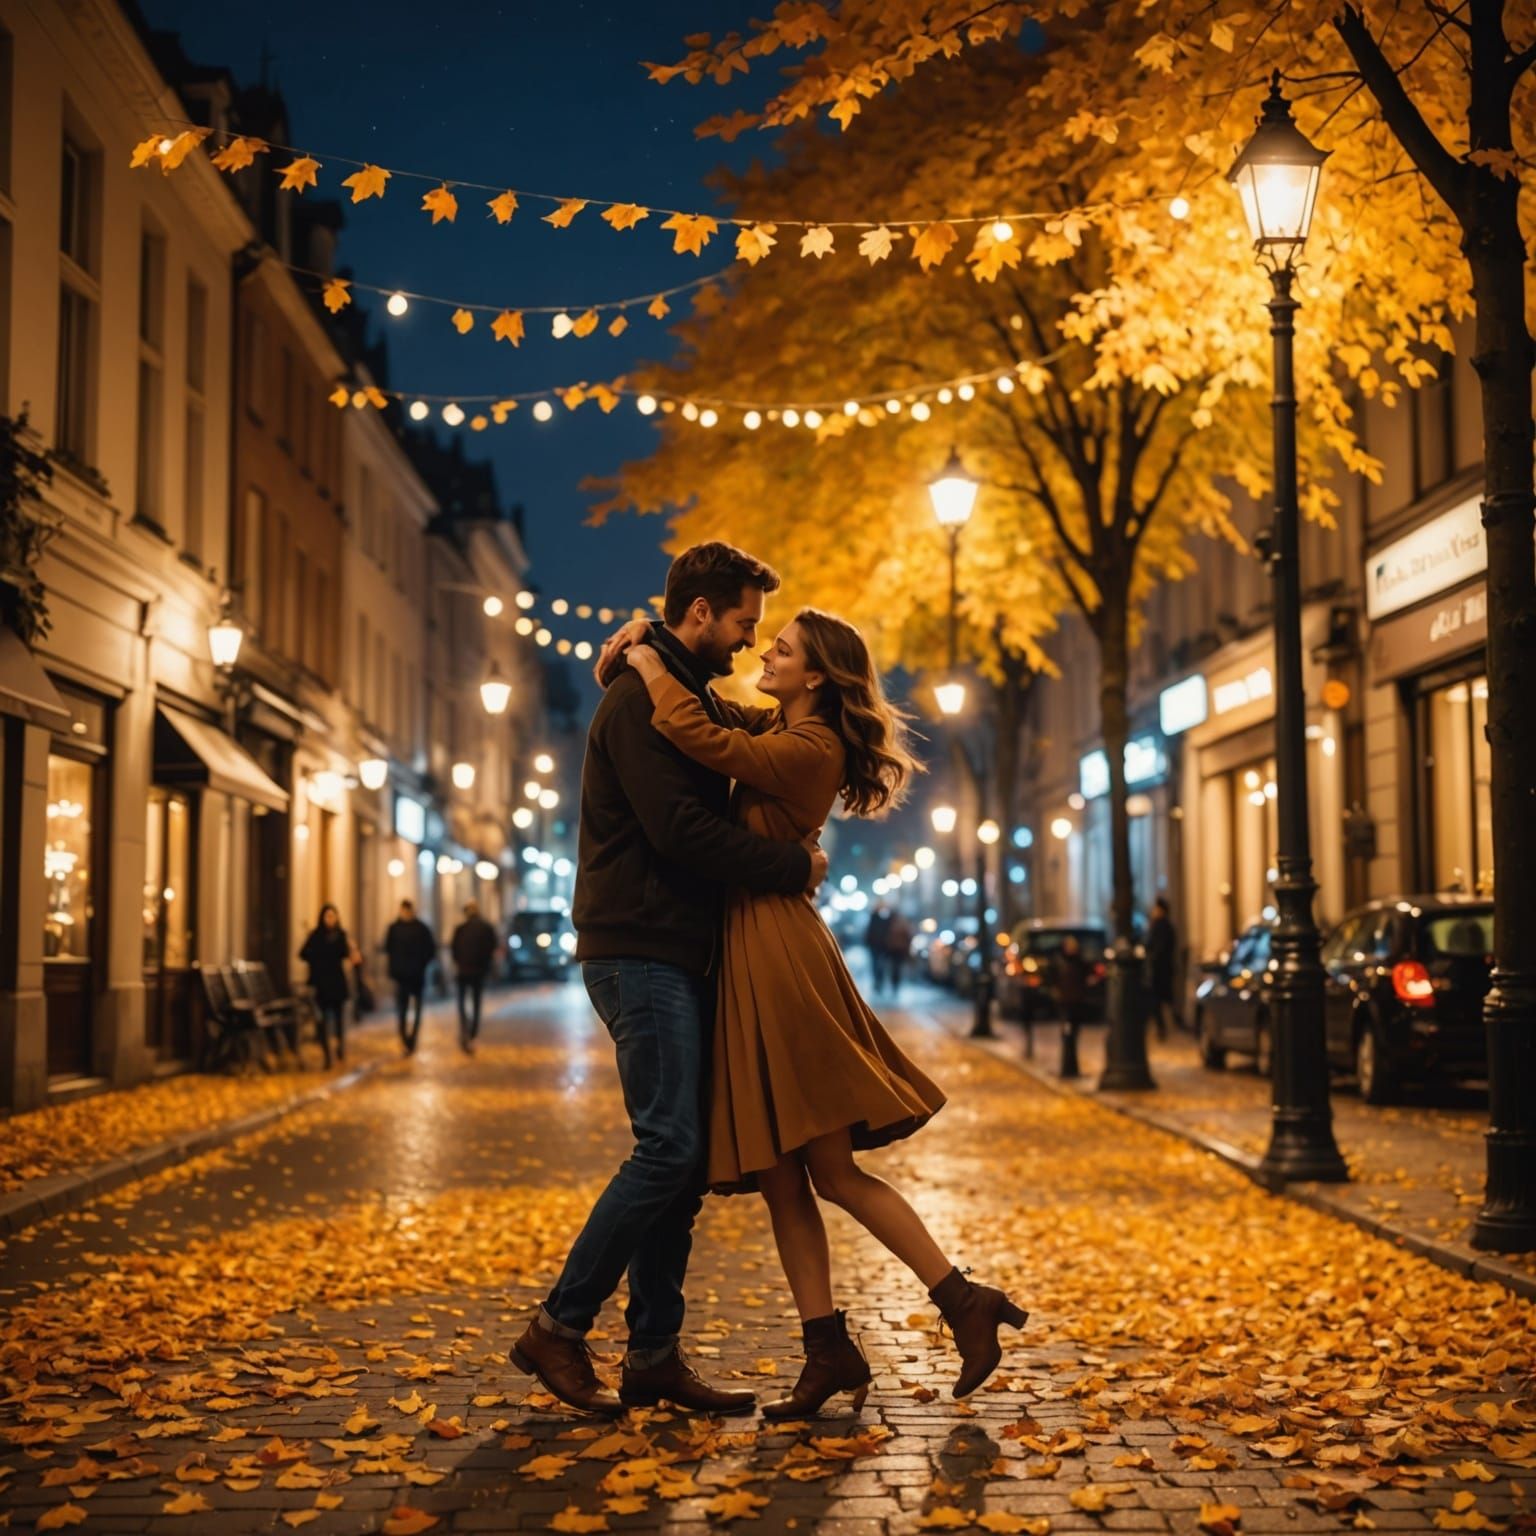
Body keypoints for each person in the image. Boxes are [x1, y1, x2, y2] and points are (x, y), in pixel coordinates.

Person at [612, 600, 1028, 1416]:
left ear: (818, 675)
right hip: (752, 950)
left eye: (786, 646)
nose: (767, 650)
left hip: (778, 958)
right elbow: (716, 716)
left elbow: (704, 738)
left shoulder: (812, 746)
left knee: (830, 1170)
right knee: (781, 1178)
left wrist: (653, 668)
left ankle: (961, 1299)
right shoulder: (783, 732)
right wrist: (642, 648)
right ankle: (827, 1346)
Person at [509, 543, 830, 1419]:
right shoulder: (637, 703)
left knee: (679, 1165)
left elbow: (744, 734)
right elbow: (681, 830)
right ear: (700, 615)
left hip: (671, 946)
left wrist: (647, 640)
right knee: (669, 1150)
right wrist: (789, 867)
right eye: (740, 622)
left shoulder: (676, 687)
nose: (746, 640)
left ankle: (653, 1354)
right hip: (637, 947)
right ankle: (558, 1328)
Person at [298, 904, 360, 1069]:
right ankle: (327, 1055)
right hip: (321, 983)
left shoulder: (341, 936)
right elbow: (303, 954)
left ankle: (340, 1049)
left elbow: (350, 955)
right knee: (323, 1021)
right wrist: (315, 959)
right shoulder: (315, 936)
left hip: (337, 982)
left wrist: (352, 951)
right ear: (322, 917)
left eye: (333, 916)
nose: (330, 919)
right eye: (327, 916)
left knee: (339, 1020)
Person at [384, 900, 436, 1055]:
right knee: (401, 1009)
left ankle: (412, 1038)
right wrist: (394, 969)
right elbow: (388, 949)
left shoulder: (421, 929)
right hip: (401, 976)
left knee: (418, 1009)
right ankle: (404, 1037)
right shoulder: (394, 928)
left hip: (417, 975)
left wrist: (421, 965)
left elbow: (430, 950)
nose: (406, 913)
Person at [451, 900, 498, 1052]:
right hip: (478, 970)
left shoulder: (461, 928)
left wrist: (459, 962)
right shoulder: (486, 928)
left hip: (464, 970)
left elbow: (454, 949)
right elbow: (492, 947)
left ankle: (466, 1028)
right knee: (476, 1002)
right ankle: (472, 1031)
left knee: (462, 1002)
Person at [1146, 896, 1180, 1040]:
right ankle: (1167, 1028)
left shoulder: (1160, 926)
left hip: (1160, 970)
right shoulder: (1166, 926)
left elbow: (1155, 946)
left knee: (1158, 1001)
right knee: (1164, 1000)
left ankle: (1163, 1029)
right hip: (1164, 969)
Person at [1055, 934, 1088, 1079]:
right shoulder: (1060, 963)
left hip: (1076, 1003)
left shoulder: (1079, 963)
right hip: (1066, 1004)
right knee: (1067, 1035)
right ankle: (1066, 1068)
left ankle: (1072, 1068)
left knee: (1073, 1035)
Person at [864, 903, 895, 994]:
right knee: (877, 964)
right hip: (877, 945)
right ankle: (878, 982)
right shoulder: (875, 918)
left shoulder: (884, 918)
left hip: (881, 945)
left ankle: (879, 982)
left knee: (879, 965)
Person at [885, 909, 914, 997]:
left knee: (895, 968)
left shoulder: (892, 925)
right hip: (896, 950)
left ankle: (895, 984)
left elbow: (908, 937)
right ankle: (895, 984)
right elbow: (908, 937)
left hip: (897, 950)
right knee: (896, 968)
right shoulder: (900, 925)